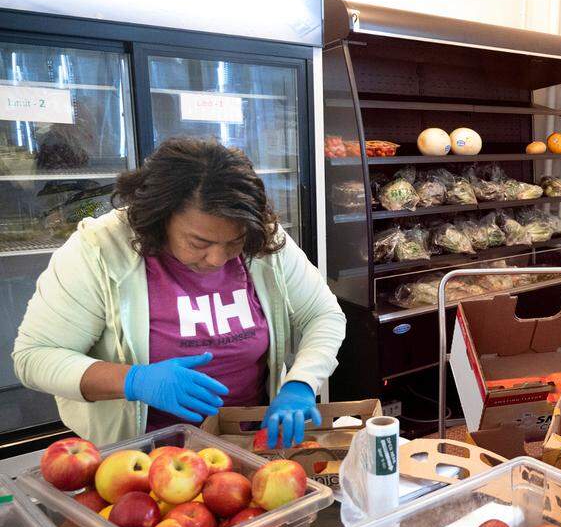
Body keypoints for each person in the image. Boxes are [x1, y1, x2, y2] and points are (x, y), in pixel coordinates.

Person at [13, 137, 346, 449]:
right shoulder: (100, 250)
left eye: (234, 242)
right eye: (199, 243)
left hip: (249, 448)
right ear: (160, 218)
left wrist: (300, 384)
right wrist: (134, 380)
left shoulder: (263, 240)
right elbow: (35, 358)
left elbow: (322, 315)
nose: (217, 259)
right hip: (139, 464)